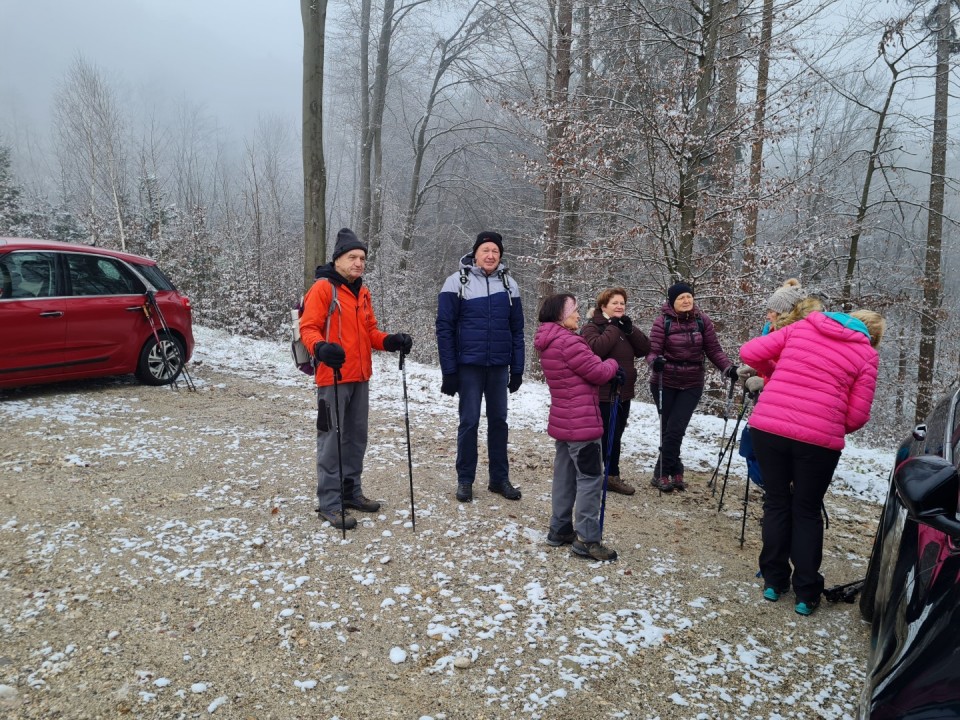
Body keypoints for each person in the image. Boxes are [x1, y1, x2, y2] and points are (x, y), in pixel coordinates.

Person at [740, 308, 883, 616]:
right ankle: (806, 592)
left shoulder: (802, 328)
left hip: (769, 427)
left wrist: (774, 372)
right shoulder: (866, 353)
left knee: (776, 501)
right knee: (806, 510)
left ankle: (773, 581)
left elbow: (749, 351)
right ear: (871, 336)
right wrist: (827, 421)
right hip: (819, 442)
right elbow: (857, 415)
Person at [300, 228, 413, 530]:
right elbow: (308, 328)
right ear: (338, 259)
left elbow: (370, 332)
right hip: (332, 377)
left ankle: (351, 492)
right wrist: (321, 348)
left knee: (355, 438)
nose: (359, 262)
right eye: (353, 257)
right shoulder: (323, 289)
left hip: (360, 376)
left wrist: (391, 341)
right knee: (331, 440)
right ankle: (329, 503)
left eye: (362, 258)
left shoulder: (362, 292)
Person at [534, 293, 624, 561]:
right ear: (561, 315)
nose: (577, 314)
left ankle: (560, 528)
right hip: (582, 423)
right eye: (573, 310)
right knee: (590, 478)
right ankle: (587, 538)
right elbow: (597, 371)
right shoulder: (569, 342)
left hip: (563, 420)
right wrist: (613, 364)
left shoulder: (549, 340)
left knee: (565, 475)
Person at [436, 231, 525, 503]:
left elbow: (517, 330)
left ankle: (499, 479)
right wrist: (449, 370)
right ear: (475, 254)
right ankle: (465, 480)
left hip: (498, 367)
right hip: (469, 367)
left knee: (499, 422)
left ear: (500, 256)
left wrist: (517, 368)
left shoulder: (510, 286)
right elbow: (445, 328)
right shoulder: (456, 282)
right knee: (469, 422)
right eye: (485, 250)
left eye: (495, 251)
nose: (490, 255)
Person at [646, 282, 737, 492]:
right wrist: (655, 362)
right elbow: (652, 352)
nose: (686, 301)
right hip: (665, 382)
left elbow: (714, 350)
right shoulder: (663, 322)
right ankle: (674, 469)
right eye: (681, 298)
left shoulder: (702, 321)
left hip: (692, 383)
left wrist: (728, 368)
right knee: (669, 429)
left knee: (676, 428)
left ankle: (661, 472)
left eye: (689, 297)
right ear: (672, 302)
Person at [580, 287, 651, 495]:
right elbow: (595, 350)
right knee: (602, 436)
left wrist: (630, 330)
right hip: (603, 393)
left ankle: (611, 476)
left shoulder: (623, 327)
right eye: (615, 303)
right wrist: (613, 327)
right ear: (603, 306)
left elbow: (645, 349)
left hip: (623, 393)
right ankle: (594, 476)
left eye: (622, 303)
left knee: (616, 434)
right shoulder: (592, 327)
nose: (620, 306)